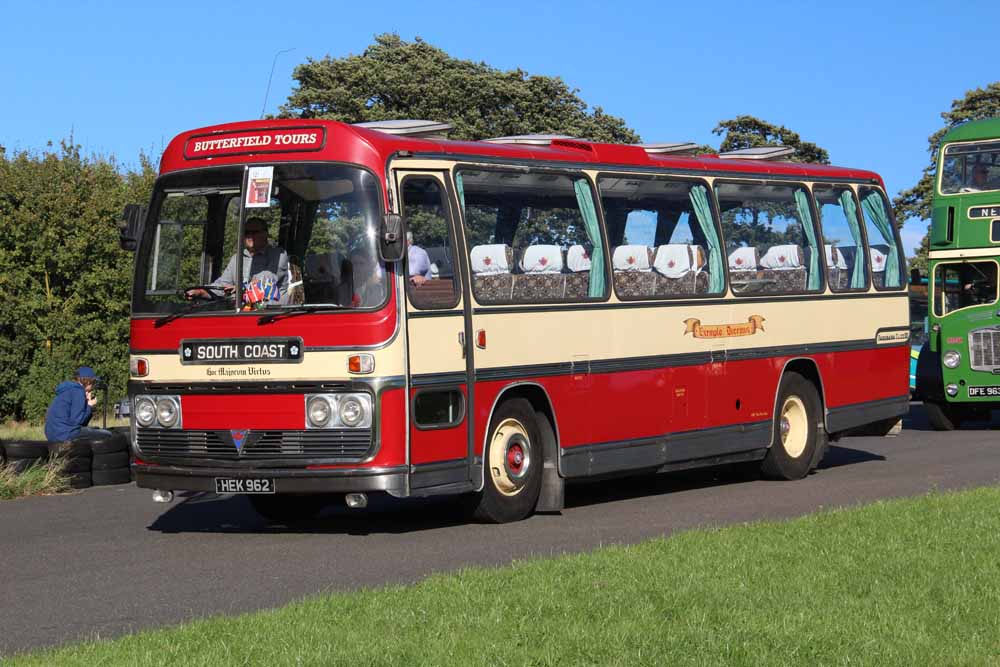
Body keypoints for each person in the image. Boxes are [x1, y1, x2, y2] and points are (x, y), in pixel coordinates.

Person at [186, 217, 288, 302]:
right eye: (247, 232)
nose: (250, 236)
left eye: (255, 232)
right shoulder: (237, 258)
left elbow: (266, 280)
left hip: (270, 316)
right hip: (239, 315)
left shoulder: (278, 255)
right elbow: (223, 284)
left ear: (265, 234)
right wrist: (201, 291)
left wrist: (242, 288)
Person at [44, 367, 111, 442]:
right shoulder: (78, 392)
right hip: (65, 434)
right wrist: (89, 406)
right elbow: (76, 422)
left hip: (52, 434)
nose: (93, 386)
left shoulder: (68, 390)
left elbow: (77, 421)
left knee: (92, 430)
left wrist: (85, 403)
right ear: (88, 382)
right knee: (107, 434)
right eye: (94, 382)